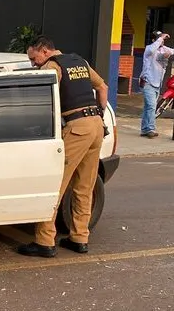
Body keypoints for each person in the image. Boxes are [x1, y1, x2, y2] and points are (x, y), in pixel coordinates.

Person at [16, 36, 108, 258]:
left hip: (76, 129)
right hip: (96, 126)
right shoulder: (80, 62)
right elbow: (102, 87)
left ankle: (44, 241)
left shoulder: (52, 67)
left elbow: (43, 99)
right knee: (84, 187)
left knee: (55, 184)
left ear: (45, 51)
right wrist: (100, 116)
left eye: (33, 58)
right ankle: (79, 238)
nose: (33, 63)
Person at [139, 31, 174, 138]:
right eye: (159, 39)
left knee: (148, 107)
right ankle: (150, 129)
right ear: (154, 40)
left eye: (162, 39)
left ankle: (144, 129)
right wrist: (161, 38)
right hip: (148, 81)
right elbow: (153, 49)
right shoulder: (149, 49)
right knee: (152, 107)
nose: (162, 40)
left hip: (157, 83)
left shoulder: (164, 49)